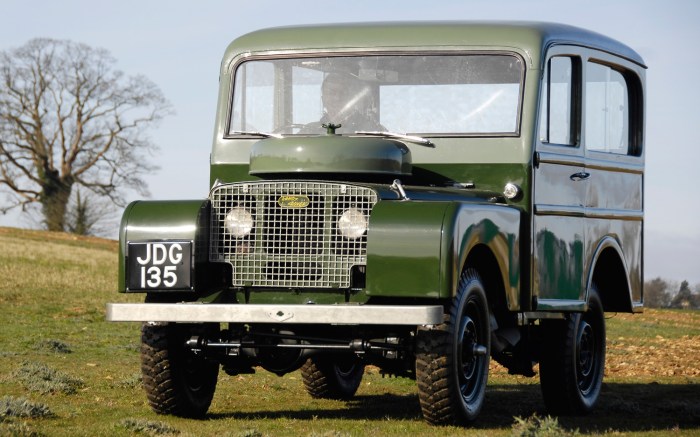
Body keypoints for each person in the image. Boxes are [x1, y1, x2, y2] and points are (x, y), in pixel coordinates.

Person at [311, 73, 384, 133]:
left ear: (353, 99)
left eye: (343, 93)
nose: (337, 98)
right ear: (323, 100)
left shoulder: (373, 131)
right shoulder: (309, 132)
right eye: (332, 93)